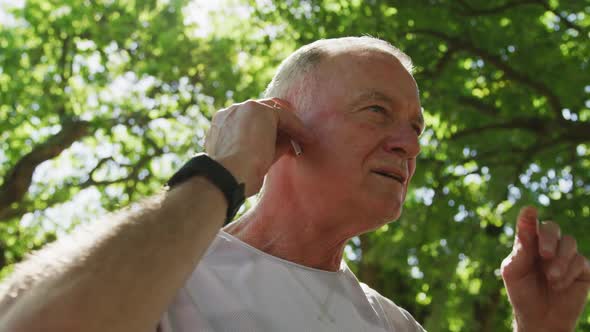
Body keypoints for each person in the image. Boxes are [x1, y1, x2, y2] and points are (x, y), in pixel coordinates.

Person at [0, 37, 588, 332]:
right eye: (376, 112)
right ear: (281, 124)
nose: (407, 143)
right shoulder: (160, 265)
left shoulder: (394, 325)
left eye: (415, 127)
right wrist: (222, 173)